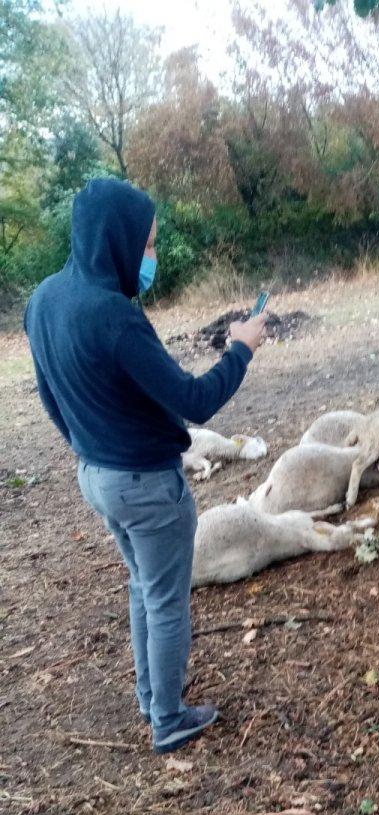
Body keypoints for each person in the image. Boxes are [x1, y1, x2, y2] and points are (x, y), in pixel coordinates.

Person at [24, 178, 268, 751]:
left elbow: (48, 395)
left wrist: (88, 448)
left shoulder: (44, 300)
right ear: (118, 238)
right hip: (148, 485)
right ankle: (168, 718)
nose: (150, 255)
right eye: (148, 242)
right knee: (165, 599)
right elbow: (196, 400)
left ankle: (150, 696)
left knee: (143, 587)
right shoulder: (114, 317)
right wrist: (241, 349)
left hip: (97, 477)